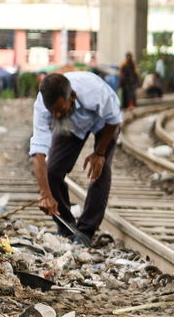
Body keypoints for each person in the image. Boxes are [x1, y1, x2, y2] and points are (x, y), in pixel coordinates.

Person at [29, 71, 122, 240]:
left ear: (72, 97)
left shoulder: (95, 91)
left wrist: (99, 153)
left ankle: (86, 231)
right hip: (71, 125)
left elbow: (113, 120)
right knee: (53, 171)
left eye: (60, 110)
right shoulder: (43, 106)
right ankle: (67, 228)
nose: (56, 115)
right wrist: (45, 193)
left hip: (104, 123)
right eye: (52, 112)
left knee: (100, 171)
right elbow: (38, 152)